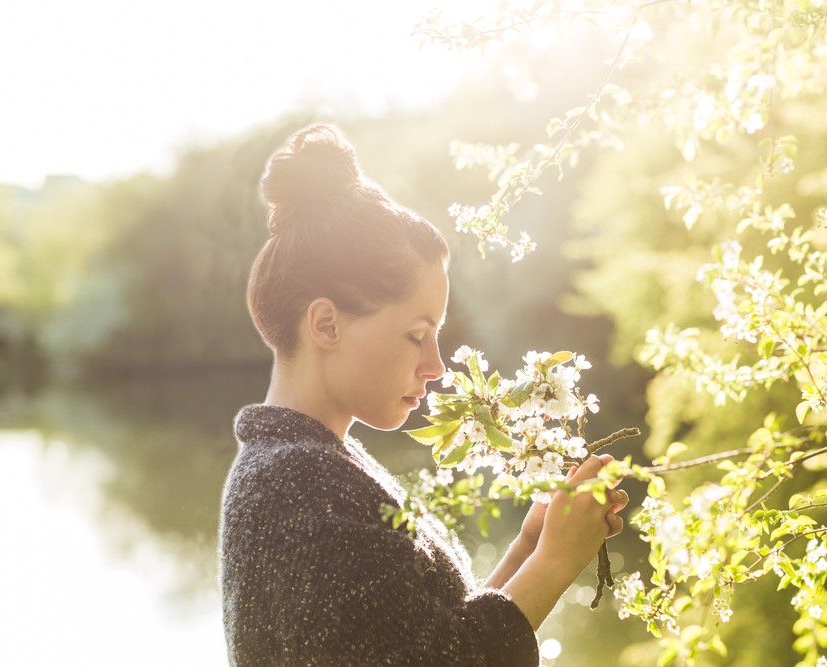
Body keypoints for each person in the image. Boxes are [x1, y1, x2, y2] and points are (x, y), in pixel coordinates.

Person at [219, 124, 629, 666]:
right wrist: (554, 563)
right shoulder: (299, 484)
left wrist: (529, 548)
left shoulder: (312, 466)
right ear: (326, 325)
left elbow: (420, 641)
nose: (435, 366)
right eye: (417, 335)